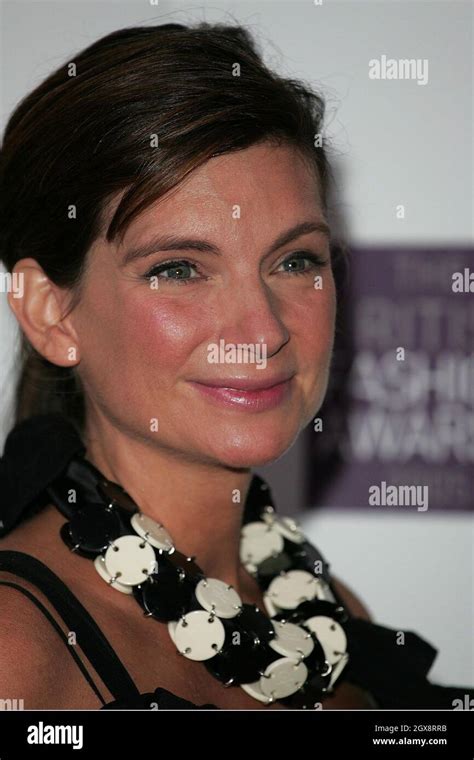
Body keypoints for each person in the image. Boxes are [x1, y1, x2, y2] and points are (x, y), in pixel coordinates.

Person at [0, 21, 471, 711]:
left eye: (295, 260)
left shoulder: (333, 620)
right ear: (51, 313)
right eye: (180, 268)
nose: (263, 330)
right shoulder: (17, 653)